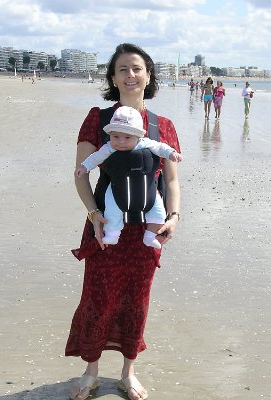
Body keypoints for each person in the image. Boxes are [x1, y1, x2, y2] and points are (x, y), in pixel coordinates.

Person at [66, 43, 181, 400]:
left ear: (148, 75)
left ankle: (128, 373)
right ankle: (90, 372)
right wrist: (94, 215)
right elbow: (81, 174)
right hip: (106, 227)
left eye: (137, 68)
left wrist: (174, 217)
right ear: (113, 78)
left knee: (136, 301)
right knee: (97, 299)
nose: (130, 75)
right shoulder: (98, 119)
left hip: (146, 230)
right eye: (122, 69)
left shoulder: (163, 126)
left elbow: (172, 181)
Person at [75, 106, 182, 249]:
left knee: (158, 213)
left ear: (138, 136)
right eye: (116, 137)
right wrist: (84, 166)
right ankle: (112, 234)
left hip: (147, 190)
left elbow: (161, 148)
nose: (121, 142)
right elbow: (95, 157)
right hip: (117, 189)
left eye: (127, 137)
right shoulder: (109, 148)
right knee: (112, 210)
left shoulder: (146, 143)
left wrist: (171, 153)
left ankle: (150, 236)